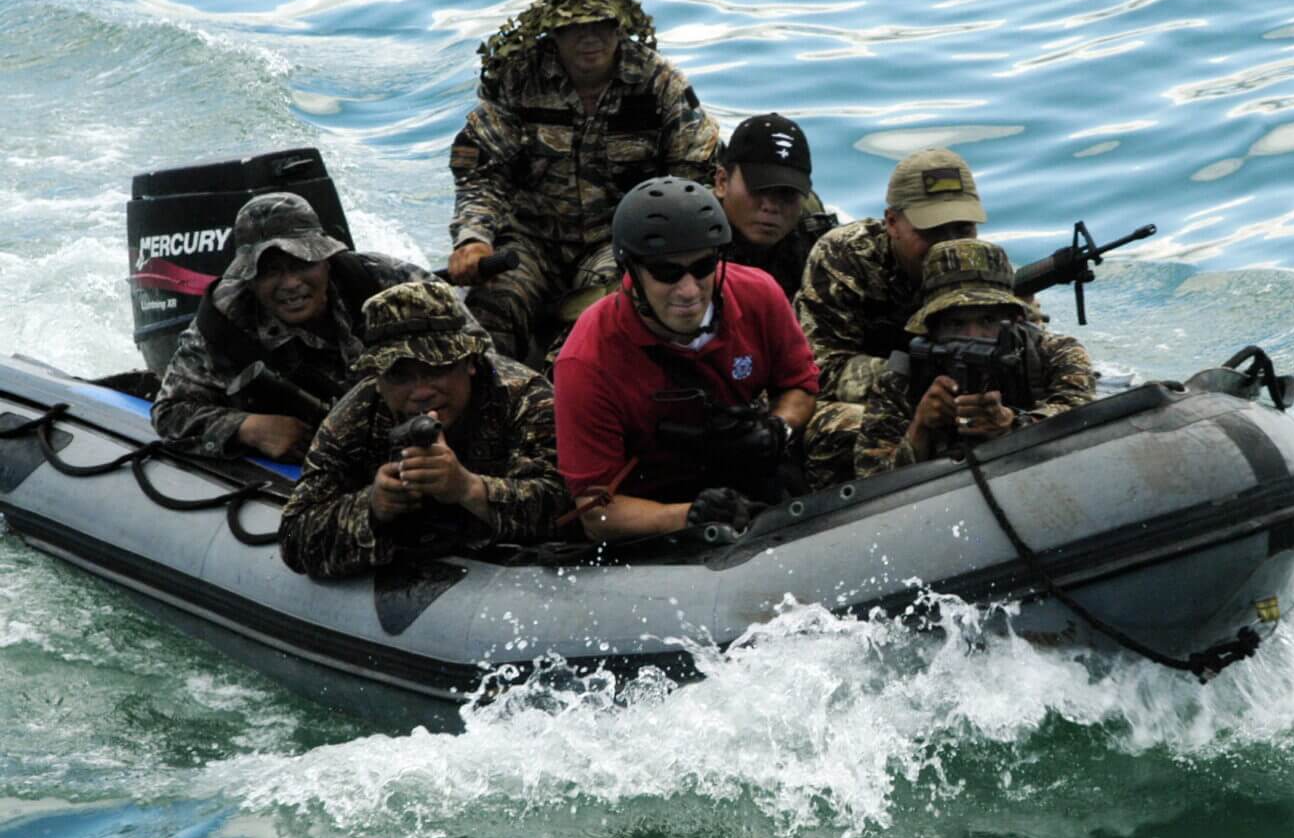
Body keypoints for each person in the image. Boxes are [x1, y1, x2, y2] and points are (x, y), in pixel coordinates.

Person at [446, 0, 721, 361]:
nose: (590, 37)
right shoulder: (518, 81)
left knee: (601, 321)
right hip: (529, 242)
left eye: (602, 23)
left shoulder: (659, 86)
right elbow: (483, 173)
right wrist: (473, 238)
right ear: (552, 30)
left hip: (618, 240)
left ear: (619, 21)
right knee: (489, 318)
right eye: (575, 26)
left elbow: (692, 179)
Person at [553, 177, 819, 542]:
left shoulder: (759, 294)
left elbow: (800, 385)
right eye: (667, 272)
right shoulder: (586, 360)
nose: (690, 290)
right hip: (653, 507)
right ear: (630, 269)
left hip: (745, 467)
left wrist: (776, 428)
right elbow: (596, 513)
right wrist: (690, 516)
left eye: (703, 266)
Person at [279, 281, 570, 578]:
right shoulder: (356, 415)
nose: (421, 392)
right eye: (399, 376)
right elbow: (294, 538)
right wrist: (373, 508)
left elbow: (570, 508)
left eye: (436, 369)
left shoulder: (526, 398)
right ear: (377, 379)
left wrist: (469, 489)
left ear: (470, 361)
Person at [151, 192, 446, 462]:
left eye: (302, 263)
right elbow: (169, 413)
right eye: (270, 271)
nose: (290, 284)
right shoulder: (224, 323)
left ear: (326, 260)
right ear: (249, 279)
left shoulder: (386, 282)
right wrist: (247, 428)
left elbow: (477, 350)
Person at [794, 147, 988, 489]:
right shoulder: (845, 257)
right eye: (932, 231)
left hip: (958, 395)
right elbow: (818, 372)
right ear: (892, 223)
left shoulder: (980, 262)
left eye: (962, 228)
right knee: (843, 425)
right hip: (871, 402)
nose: (949, 245)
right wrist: (918, 371)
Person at [854, 239, 1095, 477]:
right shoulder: (903, 377)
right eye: (956, 324)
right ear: (933, 328)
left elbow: (1086, 423)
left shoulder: (1057, 353)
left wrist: (1013, 426)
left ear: (1014, 319)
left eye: (988, 321)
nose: (973, 337)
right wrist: (921, 428)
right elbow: (870, 478)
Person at [716, 113, 837, 300]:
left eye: (786, 193)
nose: (771, 206)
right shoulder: (685, 229)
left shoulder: (812, 230)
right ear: (722, 182)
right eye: (758, 189)